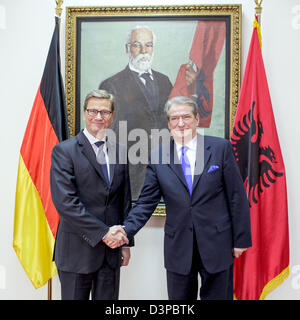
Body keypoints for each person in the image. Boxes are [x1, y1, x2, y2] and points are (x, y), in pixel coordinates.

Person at [109, 96, 252, 300]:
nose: (181, 123)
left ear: (196, 119)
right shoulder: (158, 156)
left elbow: (236, 196)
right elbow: (146, 203)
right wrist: (126, 231)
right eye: (174, 118)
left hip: (217, 244)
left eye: (186, 116)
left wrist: (241, 239)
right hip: (179, 247)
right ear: (168, 123)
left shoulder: (220, 148)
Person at [50, 89, 132, 300]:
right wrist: (104, 233)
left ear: (112, 116)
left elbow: (124, 200)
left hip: (111, 254)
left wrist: (125, 243)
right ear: (85, 113)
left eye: (104, 112)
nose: (98, 117)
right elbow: (66, 203)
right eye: (93, 111)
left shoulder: (120, 151)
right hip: (76, 252)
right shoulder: (64, 151)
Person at [99, 25, 173, 200]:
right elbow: (106, 135)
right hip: (130, 172)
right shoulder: (112, 85)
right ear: (127, 48)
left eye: (148, 45)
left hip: (165, 169)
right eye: (137, 45)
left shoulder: (165, 81)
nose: (143, 51)